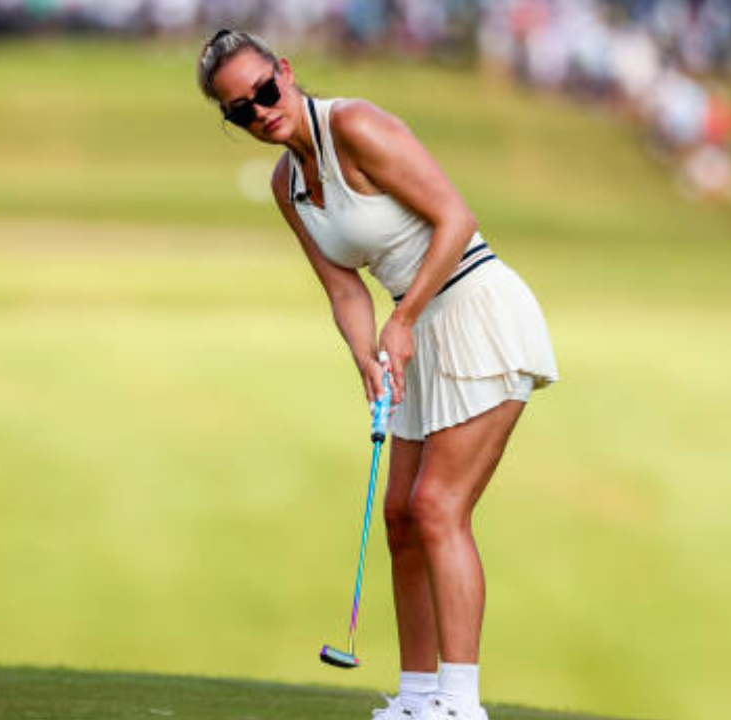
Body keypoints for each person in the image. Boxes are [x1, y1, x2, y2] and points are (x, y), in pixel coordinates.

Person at [195, 30, 559, 720]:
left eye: (265, 92)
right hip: (415, 332)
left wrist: (405, 318)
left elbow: (456, 219)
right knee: (399, 518)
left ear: (286, 72)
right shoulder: (285, 185)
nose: (261, 112)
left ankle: (461, 703)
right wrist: (367, 356)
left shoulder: (355, 125)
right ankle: (417, 699)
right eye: (240, 110)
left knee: (437, 508)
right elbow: (344, 289)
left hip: (475, 310)